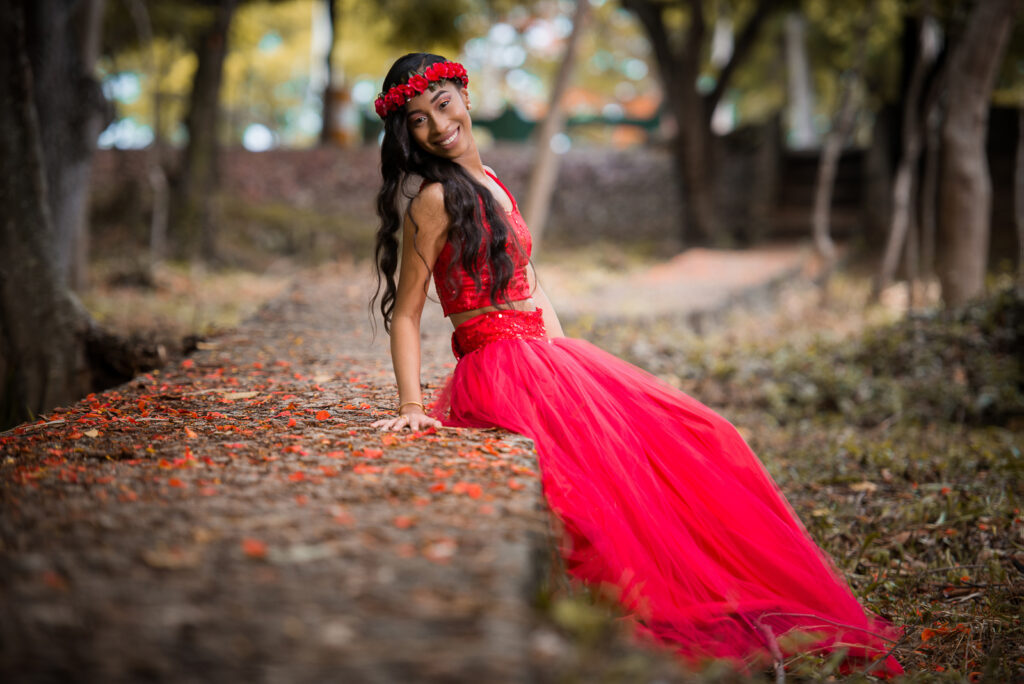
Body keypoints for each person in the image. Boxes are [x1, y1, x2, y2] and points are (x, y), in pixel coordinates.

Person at [369, 52, 903, 677]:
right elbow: (406, 314)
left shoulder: (493, 183)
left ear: (466, 95)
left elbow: (530, 286)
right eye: (418, 119)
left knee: (703, 436)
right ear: (407, 133)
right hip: (497, 370)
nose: (438, 124)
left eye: (443, 103)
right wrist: (410, 408)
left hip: (547, 358)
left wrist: (576, 366)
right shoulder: (431, 201)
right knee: (591, 499)